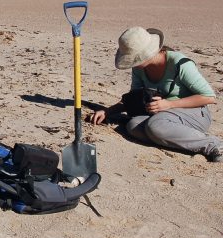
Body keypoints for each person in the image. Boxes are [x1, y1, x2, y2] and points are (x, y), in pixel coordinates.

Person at [90, 27, 221, 162]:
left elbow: (209, 97)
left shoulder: (180, 64)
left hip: (194, 114)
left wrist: (169, 104)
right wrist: (108, 111)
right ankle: (177, 138)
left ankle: (213, 144)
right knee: (133, 126)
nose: (133, 63)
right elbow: (135, 98)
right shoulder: (139, 69)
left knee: (155, 126)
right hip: (163, 116)